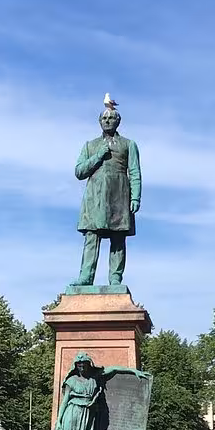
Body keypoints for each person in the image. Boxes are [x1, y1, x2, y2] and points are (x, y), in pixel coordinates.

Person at [71, 96, 142, 287]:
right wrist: (98, 155)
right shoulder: (90, 145)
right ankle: (86, 276)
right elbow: (79, 171)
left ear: (118, 121)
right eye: (104, 118)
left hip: (119, 194)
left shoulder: (129, 144)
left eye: (111, 118)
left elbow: (134, 171)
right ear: (99, 121)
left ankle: (115, 277)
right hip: (95, 197)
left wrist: (136, 196)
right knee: (91, 237)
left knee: (118, 238)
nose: (107, 121)